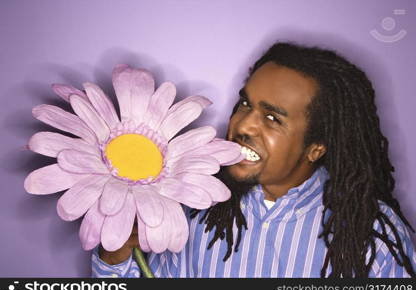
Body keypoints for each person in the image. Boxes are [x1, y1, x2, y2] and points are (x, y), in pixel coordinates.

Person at [92, 41, 416, 278]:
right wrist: (115, 256)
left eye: (272, 118)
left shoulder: (375, 240)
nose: (243, 124)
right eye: (245, 104)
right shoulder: (196, 211)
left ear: (317, 147)